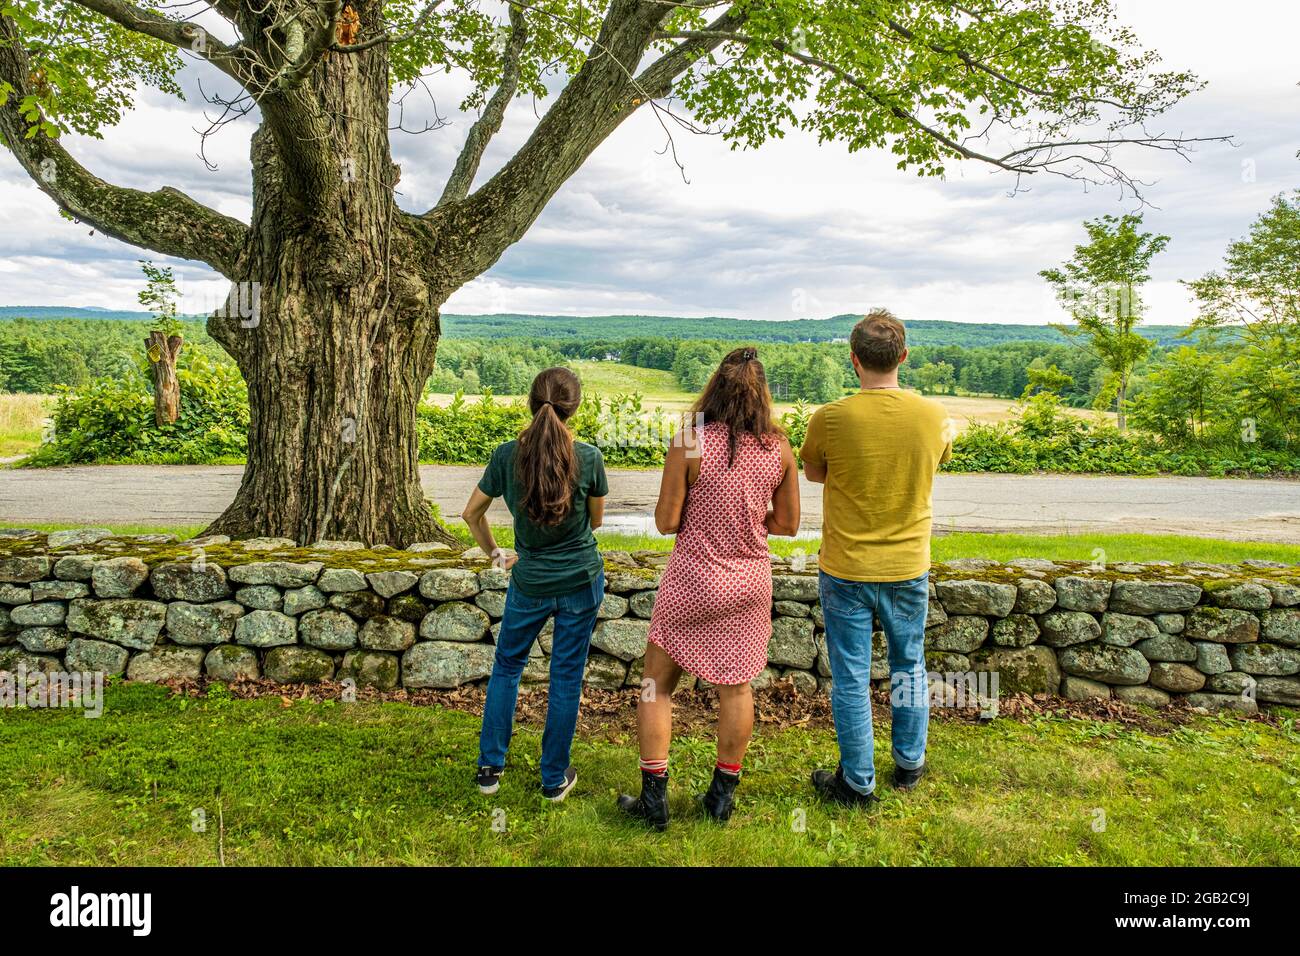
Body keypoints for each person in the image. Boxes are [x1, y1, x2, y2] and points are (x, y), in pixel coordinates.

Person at [617, 347, 801, 830]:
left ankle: (654, 802)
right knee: (736, 690)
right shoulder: (778, 448)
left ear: (714, 388)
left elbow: (664, 522)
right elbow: (788, 523)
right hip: (748, 584)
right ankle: (720, 797)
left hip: (692, 581)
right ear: (763, 395)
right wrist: (748, 515)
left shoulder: (689, 441)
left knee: (657, 686)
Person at [799, 309, 952, 805]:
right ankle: (910, 763)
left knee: (850, 675)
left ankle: (857, 781)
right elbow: (938, 461)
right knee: (910, 667)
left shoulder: (831, 417)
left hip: (846, 567)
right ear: (903, 356)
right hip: (908, 565)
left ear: (854, 359)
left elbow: (815, 474)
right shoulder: (933, 416)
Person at [461, 366, 608, 803]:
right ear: (573, 408)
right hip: (581, 578)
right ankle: (553, 777)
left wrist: (496, 553)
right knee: (565, 675)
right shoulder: (590, 457)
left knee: (507, 666)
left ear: (530, 402)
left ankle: (490, 768)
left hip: (529, 581)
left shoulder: (507, 455)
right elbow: (595, 522)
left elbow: (471, 514)